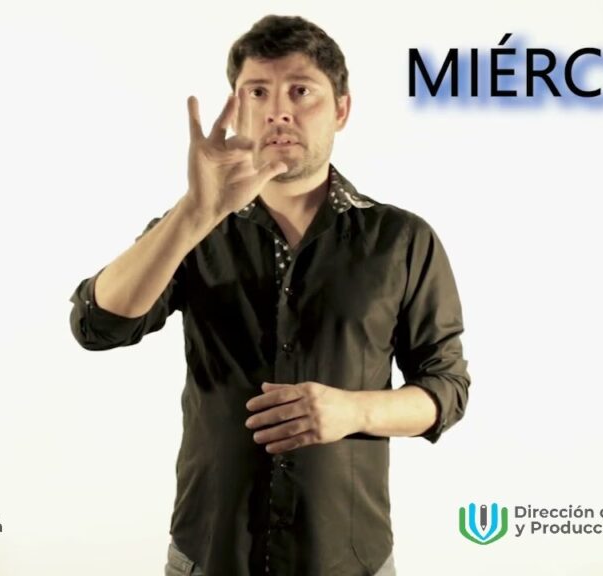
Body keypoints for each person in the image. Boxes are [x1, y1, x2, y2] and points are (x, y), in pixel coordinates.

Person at [69, 14, 470, 576]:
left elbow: (446, 388)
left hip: (348, 559)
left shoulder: (402, 239)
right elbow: (98, 326)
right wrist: (194, 212)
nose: (279, 110)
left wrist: (353, 410)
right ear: (238, 109)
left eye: (300, 91)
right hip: (210, 553)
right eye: (258, 92)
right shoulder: (192, 229)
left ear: (341, 110)